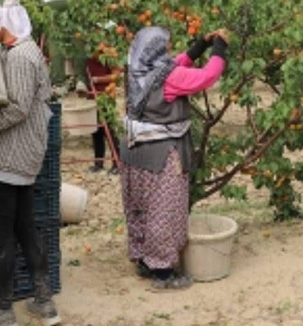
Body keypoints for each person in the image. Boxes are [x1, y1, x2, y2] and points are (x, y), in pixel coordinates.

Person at [0, 0, 61, 326]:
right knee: (24, 227)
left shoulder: (20, 57)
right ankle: (44, 302)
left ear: (3, 23)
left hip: (6, 158)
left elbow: (17, 108)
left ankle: (1, 309)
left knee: (1, 234)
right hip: (22, 158)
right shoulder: (25, 50)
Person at [120, 27, 228, 290]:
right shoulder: (169, 78)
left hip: (135, 152)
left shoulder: (137, 70)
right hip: (161, 154)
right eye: (166, 45)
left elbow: (175, 63)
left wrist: (201, 45)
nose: (169, 49)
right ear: (156, 49)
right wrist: (220, 48)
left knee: (142, 207)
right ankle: (163, 273)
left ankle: (145, 260)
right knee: (164, 209)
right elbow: (207, 76)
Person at [86, 55, 121, 174]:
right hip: (92, 96)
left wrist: (97, 80)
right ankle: (98, 163)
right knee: (96, 130)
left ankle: (117, 163)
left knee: (109, 130)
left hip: (105, 96)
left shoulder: (108, 53)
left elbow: (116, 75)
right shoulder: (87, 55)